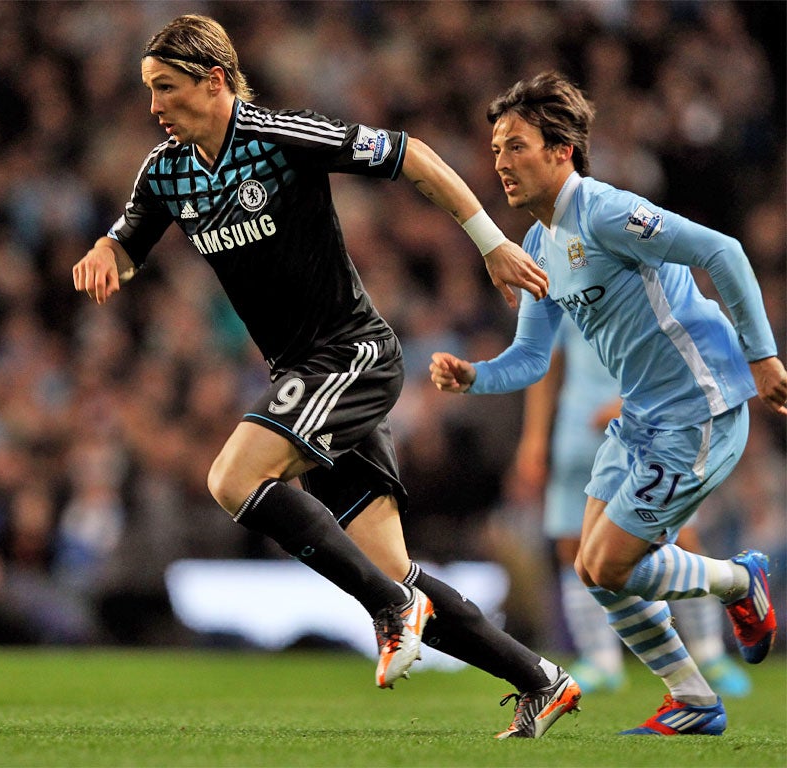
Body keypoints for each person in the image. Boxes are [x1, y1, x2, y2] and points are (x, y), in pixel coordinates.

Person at [73, 15, 580, 739]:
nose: (153, 106)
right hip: (305, 373)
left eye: (166, 88)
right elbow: (128, 241)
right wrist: (104, 254)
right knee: (392, 569)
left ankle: (387, 611)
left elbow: (413, 156)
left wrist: (491, 243)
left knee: (232, 479)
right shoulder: (167, 170)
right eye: (148, 90)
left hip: (352, 354)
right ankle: (540, 679)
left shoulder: (281, 137)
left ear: (214, 81)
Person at [430, 71, 784, 736]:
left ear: (561, 150)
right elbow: (534, 359)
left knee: (612, 562)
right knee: (594, 570)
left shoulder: (608, 214)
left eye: (516, 146)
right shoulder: (537, 245)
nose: (500, 162)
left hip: (699, 407)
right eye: (497, 148)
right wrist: (472, 376)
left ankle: (742, 583)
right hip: (642, 419)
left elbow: (724, 251)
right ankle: (694, 701)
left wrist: (762, 357)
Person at [511, 315, 752, 697]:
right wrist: (535, 438)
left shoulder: (649, 270)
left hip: (649, 422)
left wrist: (640, 407)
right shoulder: (555, 275)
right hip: (579, 426)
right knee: (574, 546)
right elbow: (545, 360)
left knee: (678, 537)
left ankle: (709, 652)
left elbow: (683, 348)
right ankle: (600, 659)